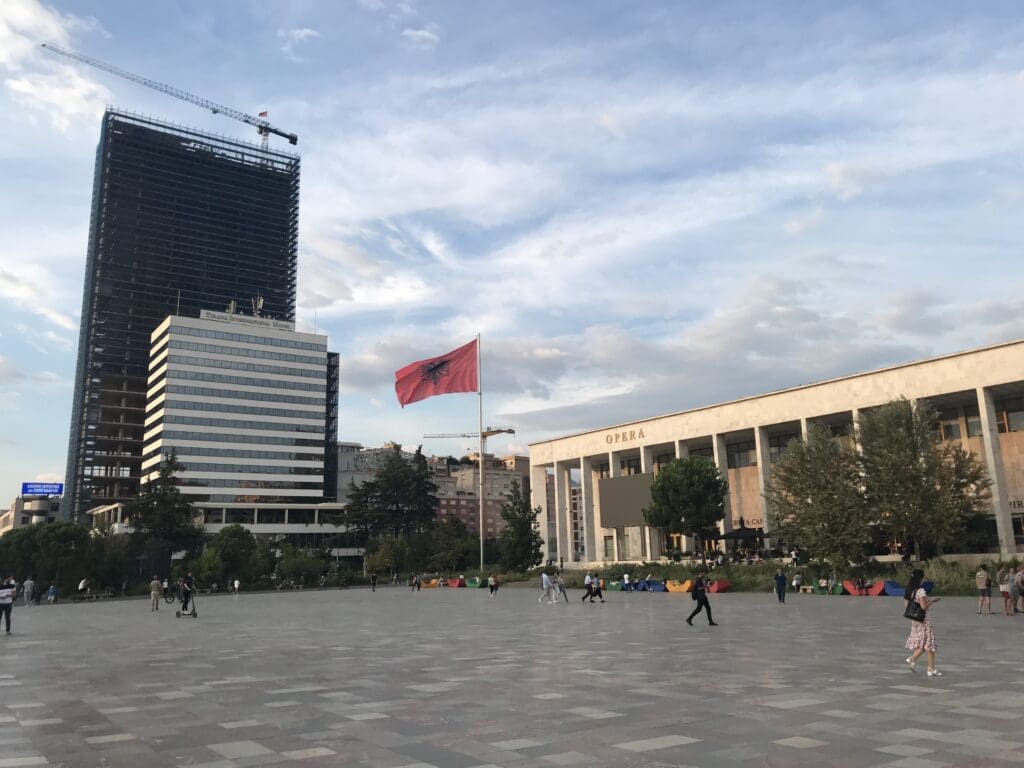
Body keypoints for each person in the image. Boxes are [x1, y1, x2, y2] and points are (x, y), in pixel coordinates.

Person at [904, 568, 942, 676]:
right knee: (928, 642)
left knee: (924, 643)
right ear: (920, 579)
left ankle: (930, 668)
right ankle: (912, 659)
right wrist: (932, 600)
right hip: (924, 619)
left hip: (914, 619)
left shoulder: (909, 591)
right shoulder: (921, 591)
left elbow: (906, 605)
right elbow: (924, 606)